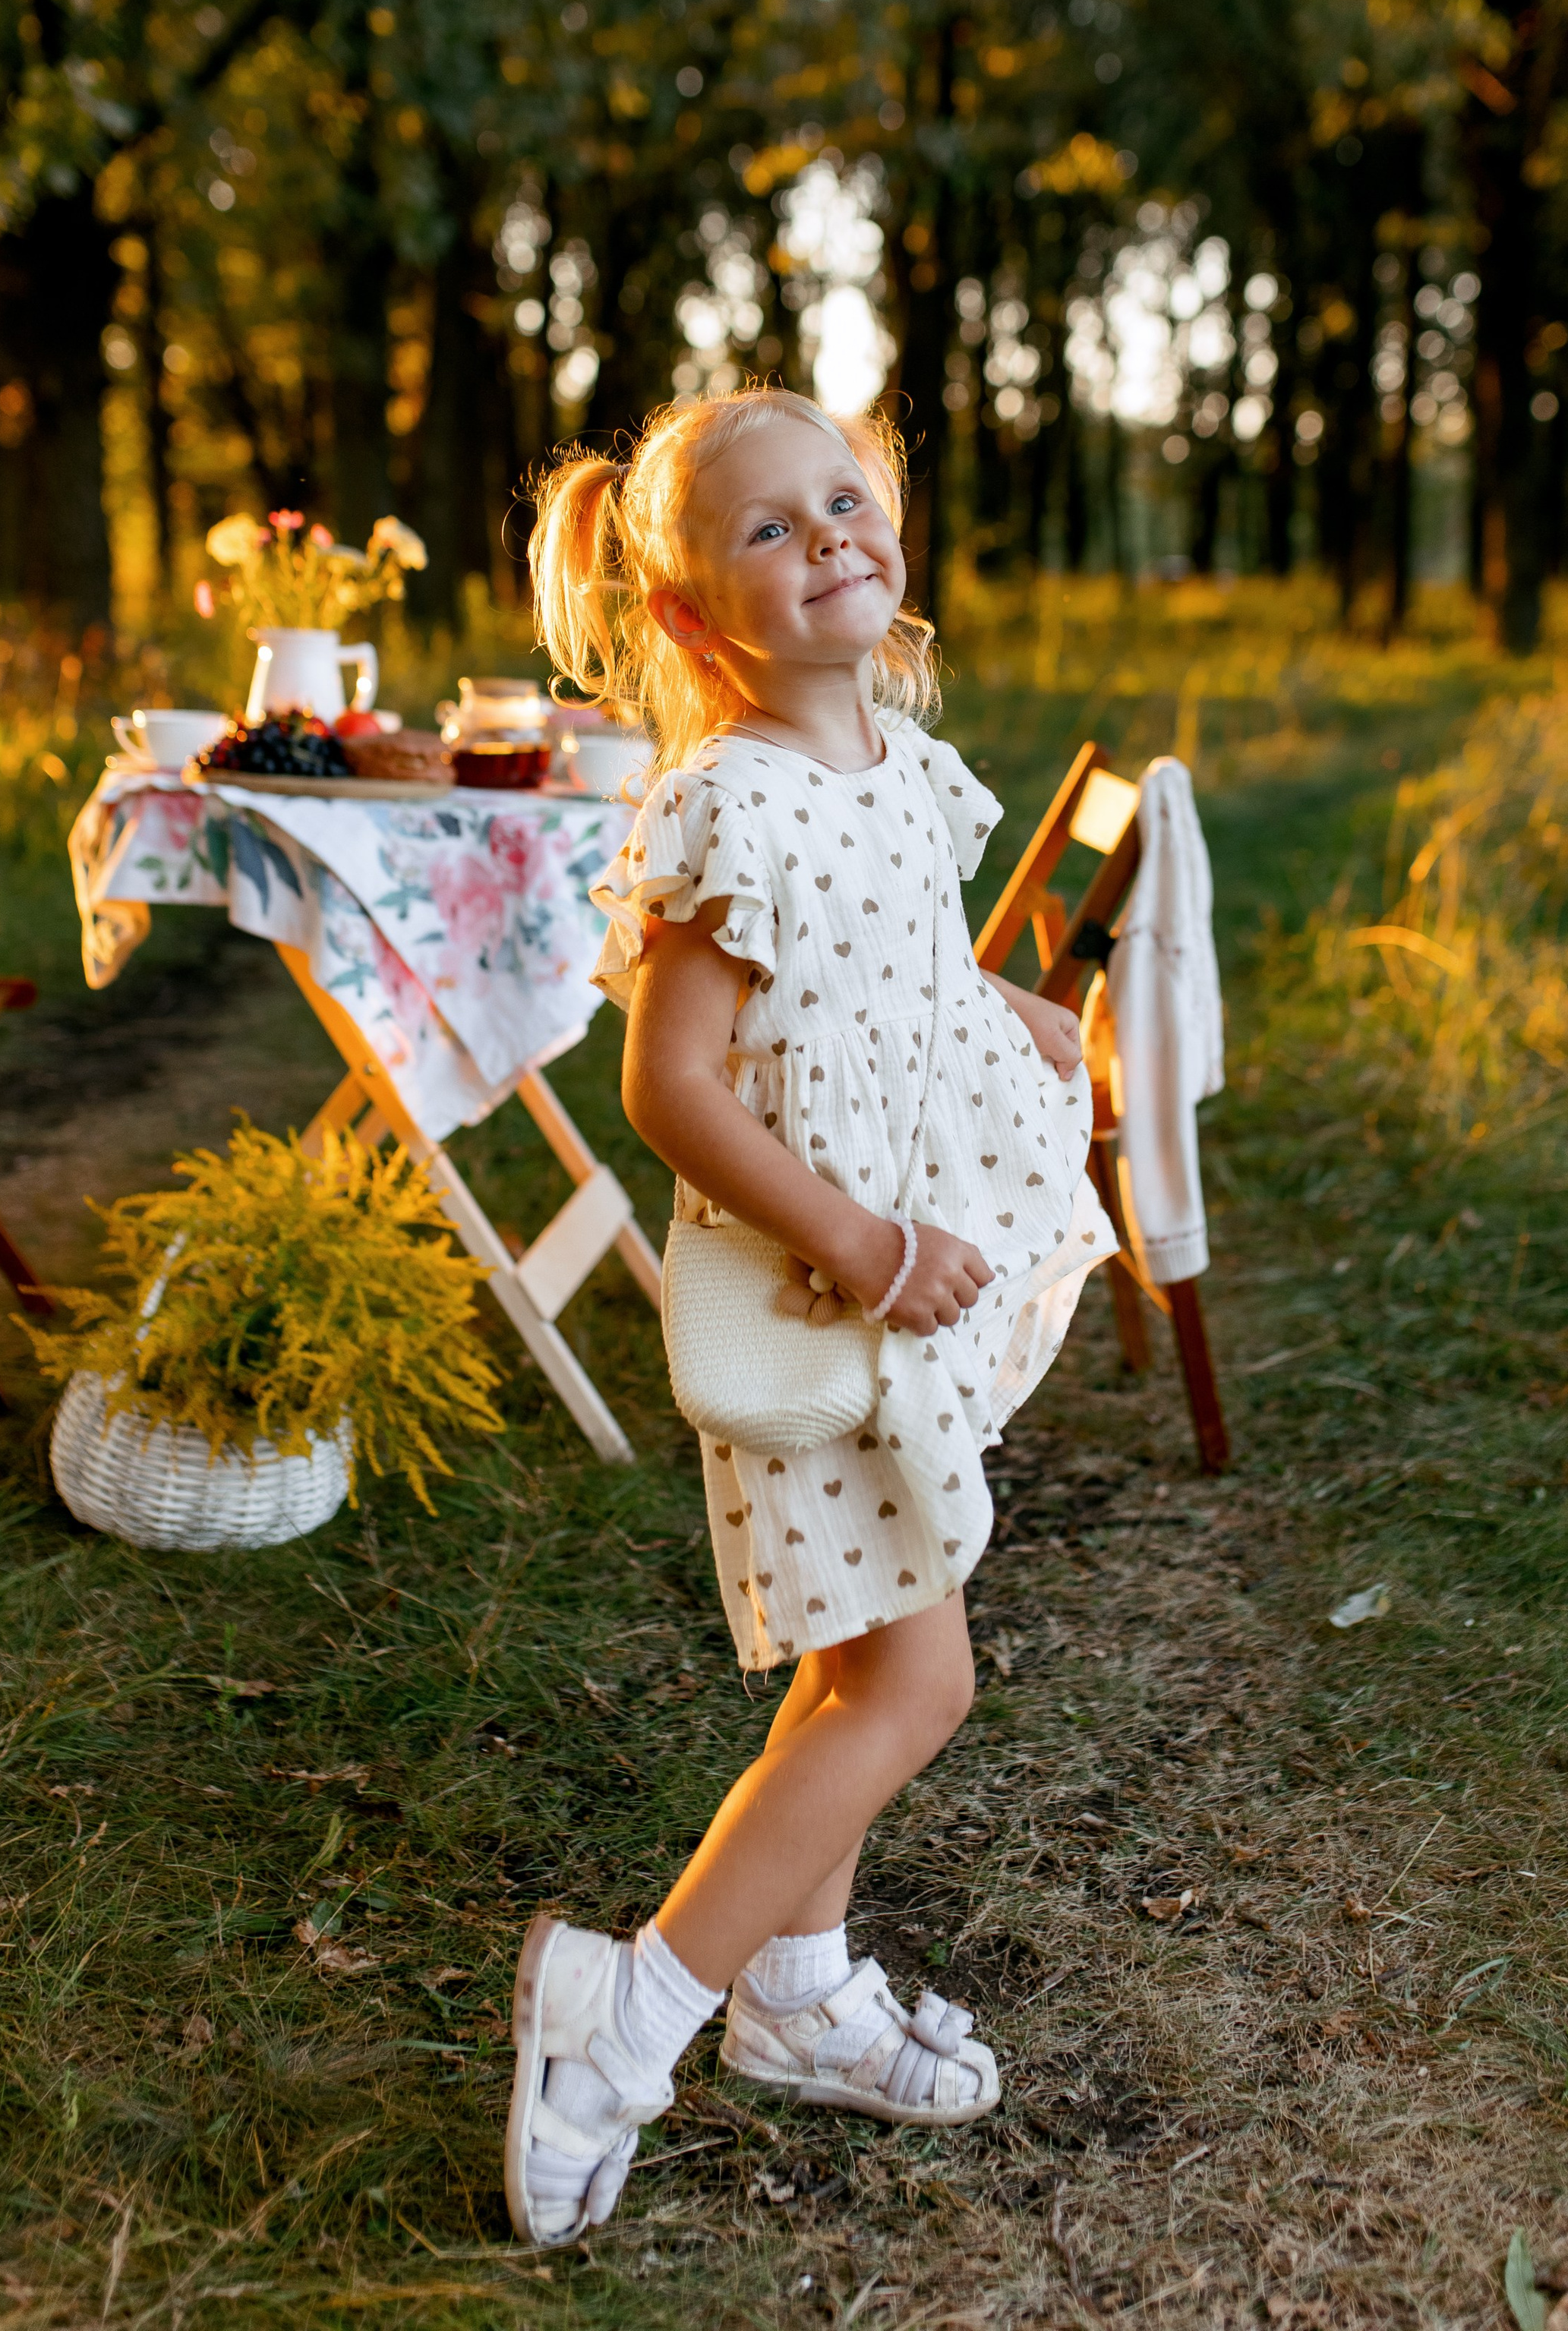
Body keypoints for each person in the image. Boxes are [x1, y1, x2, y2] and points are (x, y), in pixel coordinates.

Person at [506, 383, 1114, 2247]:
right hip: (824, 1294)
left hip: (899, 1283)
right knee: (916, 1682)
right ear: (692, 613)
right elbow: (669, 1088)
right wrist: (858, 1242)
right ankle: (627, 2015)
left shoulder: (898, 766)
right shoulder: (726, 805)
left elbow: (901, 970)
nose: (826, 537)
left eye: (842, 499)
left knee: (858, 1661)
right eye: (766, 528)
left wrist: (1015, 1016)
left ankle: (798, 1992)